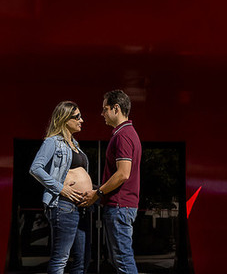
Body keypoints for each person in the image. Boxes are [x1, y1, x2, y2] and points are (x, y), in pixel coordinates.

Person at [81, 89, 142, 274]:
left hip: (119, 207)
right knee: (121, 260)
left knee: (123, 262)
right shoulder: (128, 133)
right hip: (122, 206)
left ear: (116, 108)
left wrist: (97, 193)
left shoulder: (123, 136)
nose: (102, 114)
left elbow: (123, 174)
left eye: (104, 109)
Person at [29, 101, 92, 274]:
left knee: (83, 259)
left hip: (82, 207)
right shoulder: (53, 142)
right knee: (60, 259)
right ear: (65, 119)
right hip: (64, 205)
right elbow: (35, 168)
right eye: (77, 117)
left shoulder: (75, 145)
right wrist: (60, 188)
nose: (82, 120)